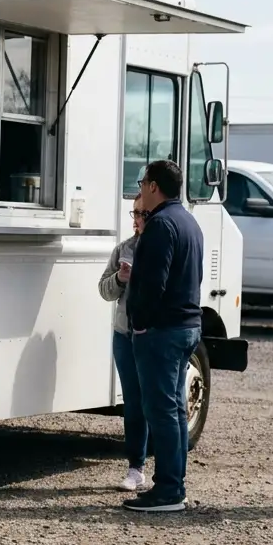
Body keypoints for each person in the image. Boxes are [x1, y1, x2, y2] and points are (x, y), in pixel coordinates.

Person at [123, 159, 203, 513]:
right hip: (186, 326)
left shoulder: (160, 225)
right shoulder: (188, 221)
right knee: (174, 409)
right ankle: (174, 484)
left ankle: (169, 490)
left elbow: (153, 283)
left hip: (163, 331)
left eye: (142, 183)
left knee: (161, 411)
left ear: (154, 186)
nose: (140, 189)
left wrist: (140, 322)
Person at [99, 206, 148, 491]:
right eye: (135, 213)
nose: (137, 219)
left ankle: (168, 471)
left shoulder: (162, 246)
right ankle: (136, 468)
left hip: (153, 335)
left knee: (157, 401)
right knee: (132, 401)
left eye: (142, 213)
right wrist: (119, 279)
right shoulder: (123, 249)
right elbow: (103, 289)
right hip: (124, 335)